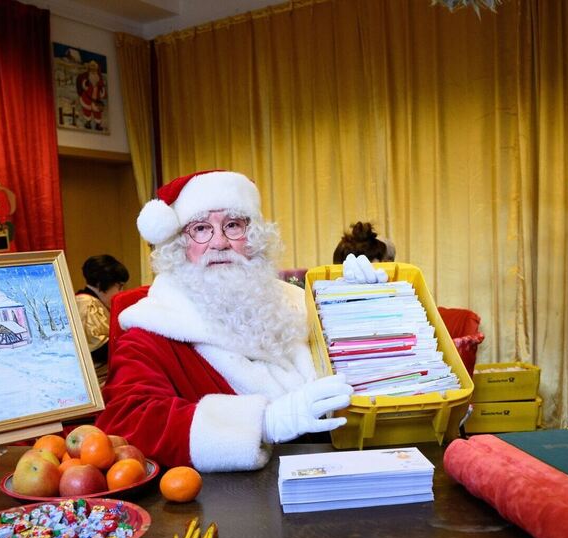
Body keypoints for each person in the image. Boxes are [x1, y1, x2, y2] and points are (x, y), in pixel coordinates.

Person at [96, 170, 385, 472]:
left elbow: (372, 377)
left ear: (254, 238)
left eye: (233, 225)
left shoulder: (300, 303)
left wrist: (361, 306)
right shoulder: (151, 328)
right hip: (234, 504)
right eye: (201, 229)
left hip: (337, 474)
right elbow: (126, 422)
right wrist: (263, 423)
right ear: (180, 245)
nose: (219, 242)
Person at [75, 254, 130, 385]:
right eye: (119, 286)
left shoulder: (85, 301)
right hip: (97, 381)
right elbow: (99, 350)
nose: (121, 292)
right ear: (101, 284)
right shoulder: (88, 304)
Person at [76, 60, 107, 131]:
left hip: (96, 100)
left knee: (97, 112)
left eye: (94, 69)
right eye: (91, 69)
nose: (93, 71)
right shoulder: (86, 79)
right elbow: (84, 85)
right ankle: (88, 122)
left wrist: (102, 92)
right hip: (87, 99)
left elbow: (102, 88)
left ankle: (98, 124)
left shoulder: (99, 79)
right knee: (87, 110)